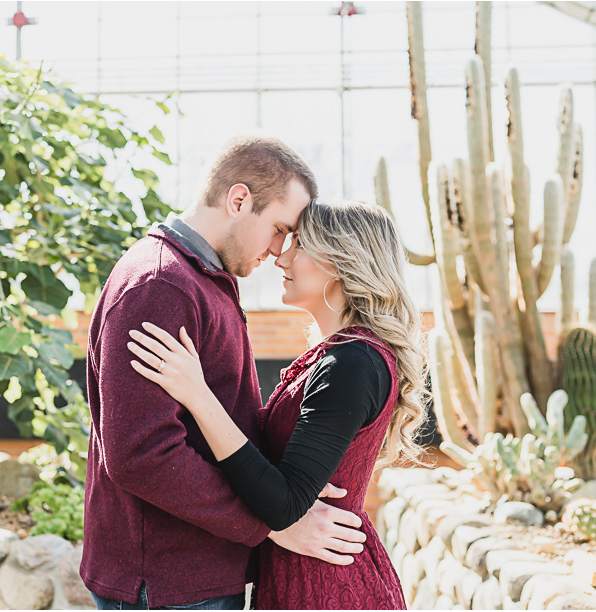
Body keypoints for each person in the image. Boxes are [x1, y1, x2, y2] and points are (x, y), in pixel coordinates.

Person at [80, 136, 369, 610]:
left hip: (194, 575)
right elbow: (141, 453)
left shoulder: (203, 278)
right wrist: (271, 522)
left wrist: (288, 483)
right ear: (238, 200)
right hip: (169, 585)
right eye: (279, 228)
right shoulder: (162, 285)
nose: (280, 251)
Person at [126, 199, 428, 609]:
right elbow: (282, 485)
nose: (280, 257)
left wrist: (197, 395)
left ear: (339, 262)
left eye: (299, 245)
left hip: (326, 587)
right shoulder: (337, 355)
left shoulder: (352, 363)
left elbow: (284, 506)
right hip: (303, 572)